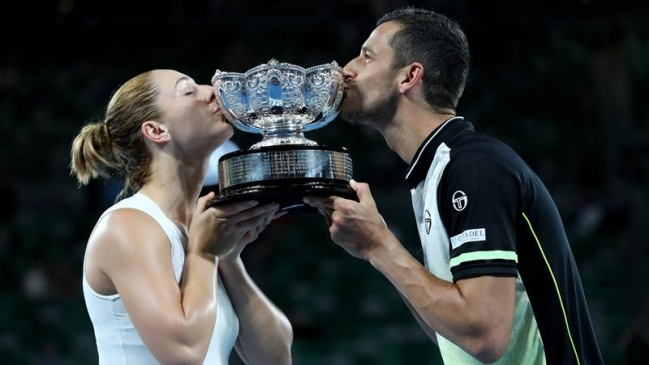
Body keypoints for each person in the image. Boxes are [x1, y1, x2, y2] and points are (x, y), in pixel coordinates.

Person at [305, 7, 604, 365]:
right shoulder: (435, 172)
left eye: (366, 56)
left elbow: (484, 336)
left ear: (409, 76)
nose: (347, 69)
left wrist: (379, 245)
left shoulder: (475, 169)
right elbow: (452, 336)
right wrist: (377, 248)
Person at [70, 69, 293, 365]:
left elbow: (275, 359)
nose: (212, 91)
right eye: (188, 91)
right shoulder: (127, 225)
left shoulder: (201, 233)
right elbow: (185, 354)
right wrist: (204, 253)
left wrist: (227, 258)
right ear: (157, 130)